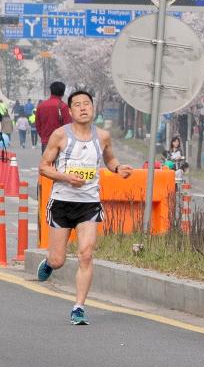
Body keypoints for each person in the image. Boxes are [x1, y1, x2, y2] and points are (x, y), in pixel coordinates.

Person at [35, 89, 134, 325]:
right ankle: (49, 263)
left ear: (93, 108)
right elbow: (44, 167)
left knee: (86, 254)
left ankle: (78, 307)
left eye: (86, 104)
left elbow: (109, 159)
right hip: (61, 202)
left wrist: (118, 169)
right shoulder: (60, 135)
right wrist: (67, 177)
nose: (82, 108)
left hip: (89, 203)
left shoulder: (102, 136)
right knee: (59, 259)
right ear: (70, 111)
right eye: (77, 105)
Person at [35, 81, 70, 148]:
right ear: (63, 93)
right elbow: (68, 126)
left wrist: (43, 136)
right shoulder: (64, 107)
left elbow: (37, 124)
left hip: (46, 141)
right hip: (60, 142)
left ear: (51, 91)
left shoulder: (41, 106)